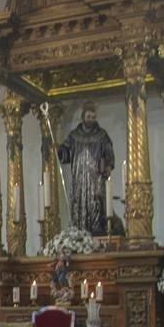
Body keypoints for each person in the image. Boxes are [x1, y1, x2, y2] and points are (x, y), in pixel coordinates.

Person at [57, 101, 115, 236]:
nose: (91, 120)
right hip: (79, 178)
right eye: (89, 117)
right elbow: (66, 155)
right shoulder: (73, 135)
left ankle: (97, 233)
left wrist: (108, 165)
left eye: (93, 117)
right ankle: (79, 233)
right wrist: (60, 150)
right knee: (78, 204)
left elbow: (109, 153)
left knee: (96, 204)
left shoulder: (102, 135)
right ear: (83, 117)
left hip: (96, 180)